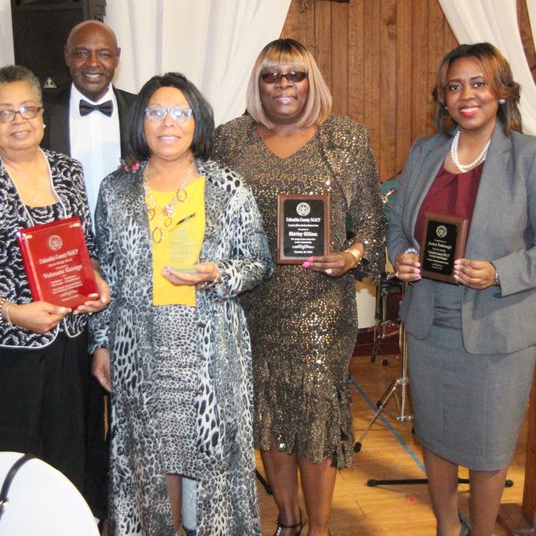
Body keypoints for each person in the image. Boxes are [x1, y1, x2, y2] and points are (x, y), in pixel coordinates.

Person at [388, 43, 536, 536]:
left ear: (502, 91)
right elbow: (397, 224)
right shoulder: (425, 152)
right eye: (454, 86)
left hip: (499, 324)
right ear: (443, 99)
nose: (466, 95)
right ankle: (447, 527)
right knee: (436, 434)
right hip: (431, 322)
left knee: (489, 445)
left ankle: (485, 527)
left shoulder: (532, 156)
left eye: (477, 83)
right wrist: (400, 257)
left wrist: (501, 271)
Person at [214, 39, 385, 536]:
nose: (283, 86)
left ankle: (321, 527)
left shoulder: (344, 138)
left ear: (311, 81)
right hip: (252, 304)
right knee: (268, 414)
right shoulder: (230, 140)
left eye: (295, 75)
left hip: (321, 307)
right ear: (258, 83)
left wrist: (351, 256)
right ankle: (288, 521)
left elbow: (372, 221)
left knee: (313, 416)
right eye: (272, 76)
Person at [90, 72, 273, 535]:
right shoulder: (116, 190)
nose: (167, 123)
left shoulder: (229, 187)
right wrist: (102, 344)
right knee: (151, 454)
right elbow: (104, 273)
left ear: (197, 122)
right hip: (139, 344)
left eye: (179, 113)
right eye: (156, 112)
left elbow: (258, 262)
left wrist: (218, 273)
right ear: (141, 122)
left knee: (208, 454)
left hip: (209, 344)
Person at [0, 65, 110, 520]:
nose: (18, 121)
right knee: (12, 463)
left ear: (41, 114)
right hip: (5, 351)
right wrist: (15, 313)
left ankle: (71, 526)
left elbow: (87, 250)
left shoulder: (69, 171)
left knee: (72, 458)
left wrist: (99, 285)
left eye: (27, 109)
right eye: (3, 113)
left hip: (70, 345)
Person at [42, 19, 137, 221]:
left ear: (117, 57)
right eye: (82, 53)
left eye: (103, 54)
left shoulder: (142, 110)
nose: (93, 63)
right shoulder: (42, 113)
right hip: (66, 244)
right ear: (67, 55)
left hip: (127, 243)